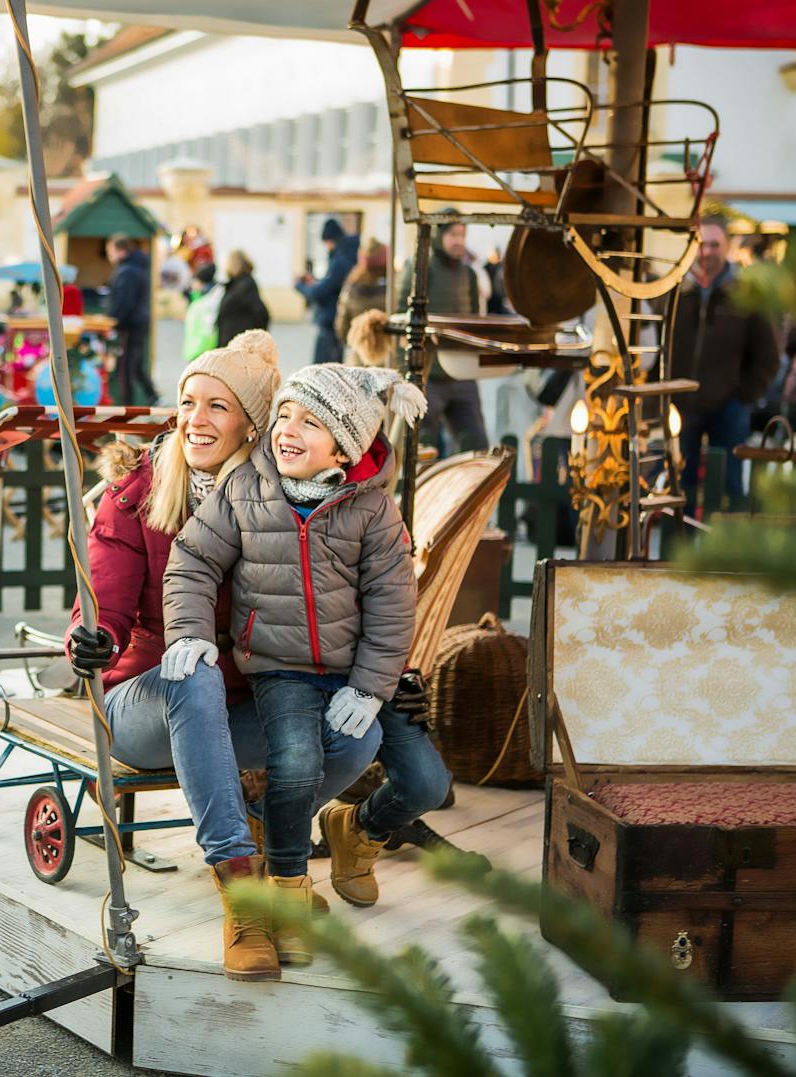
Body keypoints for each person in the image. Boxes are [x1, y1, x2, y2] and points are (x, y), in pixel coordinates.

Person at [65, 331, 384, 983]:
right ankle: (241, 893)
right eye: (188, 401)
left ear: (252, 425)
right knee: (195, 673)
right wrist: (90, 640)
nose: (194, 419)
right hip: (139, 703)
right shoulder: (136, 496)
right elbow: (101, 607)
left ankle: (275, 846)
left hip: (238, 709)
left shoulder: (285, 504)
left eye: (217, 405)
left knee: (356, 733)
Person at [162, 363, 425, 957]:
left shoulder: (373, 509)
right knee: (298, 758)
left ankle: (285, 871)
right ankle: (286, 891)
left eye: (309, 421)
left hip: (344, 673)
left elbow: (392, 601)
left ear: (344, 443)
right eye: (283, 414)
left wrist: (370, 687)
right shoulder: (248, 486)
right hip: (277, 665)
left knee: (357, 753)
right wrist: (189, 632)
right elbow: (194, 559)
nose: (287, 430)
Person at [666, 215, 779, 514]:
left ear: (726, 246)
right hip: (682, 405)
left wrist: (743, 395)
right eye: (701, 244)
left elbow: (768, 354)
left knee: (730, 485)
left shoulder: (745, 295)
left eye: (715, 244)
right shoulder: (674, 293)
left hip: (729, 406)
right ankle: (681, 552)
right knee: (680, 485)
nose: (707, 251)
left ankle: (727, 552)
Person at [403, 220, 489, 455]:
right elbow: (403, 314)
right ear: (441, 237)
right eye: (453, 234)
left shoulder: (468, 274)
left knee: (476, 442)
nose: (458, 241)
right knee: (423, 446)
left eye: (462, 234)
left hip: (461, 373)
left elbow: (472, 317)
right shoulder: (422, 270)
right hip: (430, 373)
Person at [295, 219, 360, 364]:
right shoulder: (347, 255)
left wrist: (301, 286)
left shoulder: (341, 260)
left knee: (324, 369)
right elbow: (330, 284)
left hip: (331, 322)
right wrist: (316, 283)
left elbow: (321, 292)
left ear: (330, 240)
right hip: (335, 321)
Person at [107, 234, 157, 405]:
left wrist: (114, 320)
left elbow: (124, 301)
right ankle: (152, 395)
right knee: (134, 365)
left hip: (129, 324)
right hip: (137, 322)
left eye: (111, 251)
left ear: (121, 251)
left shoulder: (127, 271)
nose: (109, 256)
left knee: (126, 366)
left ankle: (128, 404)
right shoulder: (134, 268)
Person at [334, 240, 390, 356]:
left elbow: (341, 325)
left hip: (358, 353)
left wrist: (354, 341)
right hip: (388, 354)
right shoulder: (394, 285)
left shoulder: (352, 285)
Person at [215, 250, 271, 348]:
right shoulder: (237, 283)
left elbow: (261, 313)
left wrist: (254, 337)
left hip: (238, 342)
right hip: (234, 341)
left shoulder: (245, 285)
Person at [182, 263, 223, 362]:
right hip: (195, 351)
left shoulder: (209, 303)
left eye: (195, 282)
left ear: (203, 284)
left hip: (202, 352)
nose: (192, 286)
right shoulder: (198, 300)